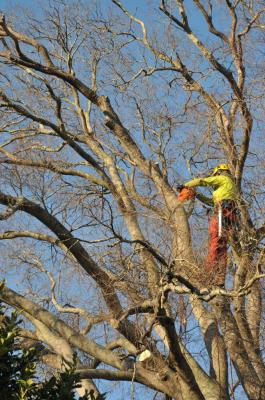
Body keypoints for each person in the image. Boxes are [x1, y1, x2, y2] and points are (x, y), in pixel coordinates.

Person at [177, 164, 239, 287]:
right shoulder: (228, 186)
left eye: (215, 175)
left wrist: (186, 185)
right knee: (222, 246)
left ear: (219, 172)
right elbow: (211, 202)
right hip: (229, 215)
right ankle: (220, 278)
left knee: (215, 242)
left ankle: (207, 274)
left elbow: (202, 181)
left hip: (222, 211)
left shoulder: (223, 178)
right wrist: (197, 195)